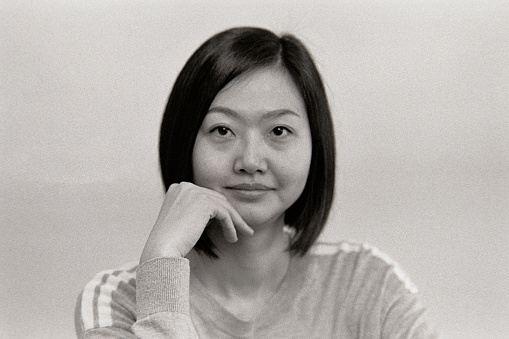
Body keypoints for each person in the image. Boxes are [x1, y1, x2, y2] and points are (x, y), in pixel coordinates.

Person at [75, 27, 439, 338]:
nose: (250, 161)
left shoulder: (370, 283)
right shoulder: (118, 298)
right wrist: (162, 260)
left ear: (316, 145)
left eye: (279, 130)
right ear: (184, 140)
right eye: (222, 130)